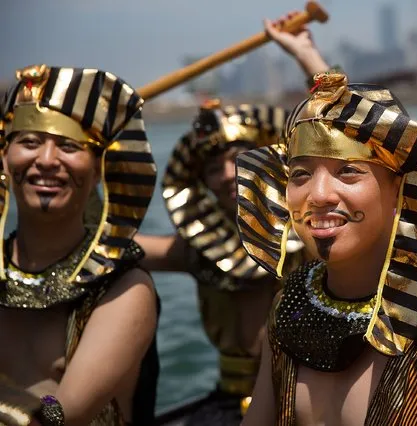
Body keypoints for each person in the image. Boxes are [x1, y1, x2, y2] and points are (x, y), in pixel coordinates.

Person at [237, 72, 417, 425]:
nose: (320, 195)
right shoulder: (289, 305)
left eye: (348, 171)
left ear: (401, 191)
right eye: (300, 175)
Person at [134, 14, 335, 425]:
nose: (227, 175)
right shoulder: (197, 249)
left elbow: (346, 129)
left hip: (308, 403)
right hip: (227, 405)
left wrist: (305, 54)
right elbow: (106, 246)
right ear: (200, 184)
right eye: (212, 169)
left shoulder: (316, 235)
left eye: (236, 159)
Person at [0, 65, 160, 425]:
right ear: (5, 158)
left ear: (100, 170)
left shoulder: (123, 289)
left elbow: (61, 416)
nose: (46, 161)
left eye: (70, 147)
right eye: (29, 142)